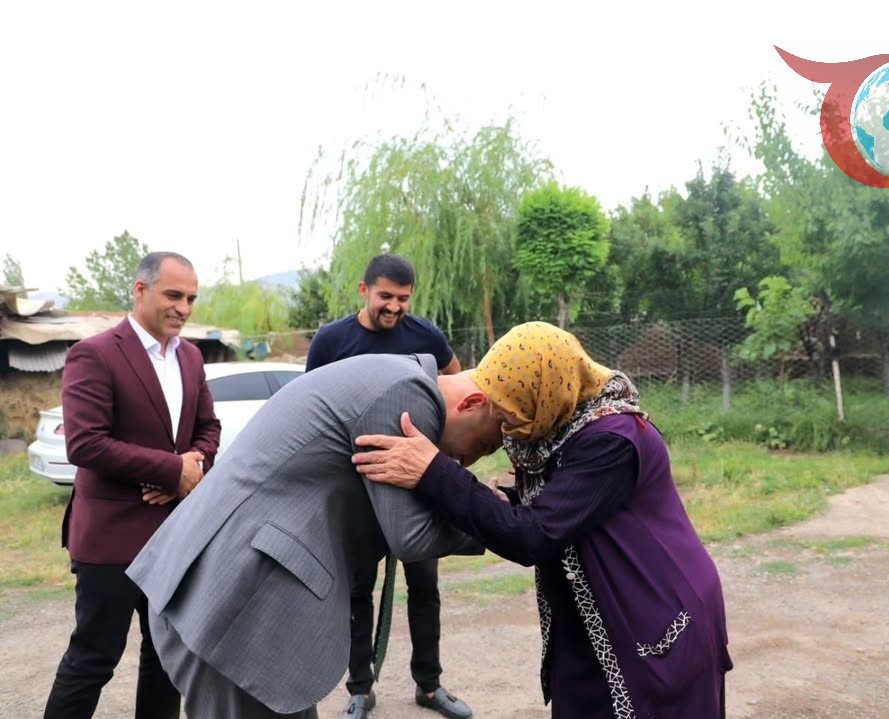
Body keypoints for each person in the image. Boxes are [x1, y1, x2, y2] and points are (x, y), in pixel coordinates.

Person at [353, 322, 734, 719]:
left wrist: (434, 472)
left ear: (547, 395)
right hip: (594, 622)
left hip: (651, 614)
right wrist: (498, 499)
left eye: (513, 416)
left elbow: (535, 535)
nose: (508, 430)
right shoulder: (566, 427)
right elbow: (559, 504)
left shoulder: (613, 438)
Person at [126, 352, 505, 719]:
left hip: (240, 600)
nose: (470, 461)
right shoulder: (407, 394)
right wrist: (497, 519)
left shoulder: (396, 372)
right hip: (236, 608)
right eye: (484, 445)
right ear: (472, 403)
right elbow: (412, 536)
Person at [44, 252, 221, 719]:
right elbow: (85, 444)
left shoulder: (190, 357)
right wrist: (171, 470)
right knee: (93, 659)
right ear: (140, 290)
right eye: (174, 295)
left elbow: (208, 428)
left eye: (191, 298)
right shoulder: (95, 353)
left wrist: (190, 471)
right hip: (111, 536)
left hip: (174, 535)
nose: (184, 307)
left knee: (166, 660)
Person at [305, 253, 469, 719]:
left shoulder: (426, 336)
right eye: (385, 297)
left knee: (425, 588)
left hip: (420, 483)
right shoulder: (332, 340)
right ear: (364, 290)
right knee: (358, 591)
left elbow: (456, 386)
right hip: (359, 486)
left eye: (403, 298)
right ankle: (360, 688)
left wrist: (444, 455)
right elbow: (312, 403)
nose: (394, 307)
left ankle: (430, 686)